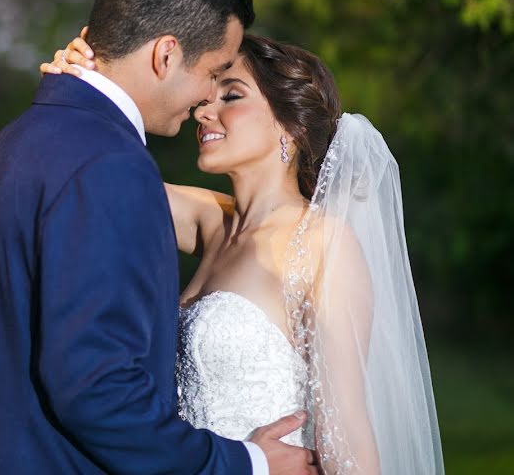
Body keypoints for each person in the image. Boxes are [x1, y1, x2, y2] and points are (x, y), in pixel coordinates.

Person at [0, 0, 317, 474]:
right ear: (165, 55)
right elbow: (98, 390)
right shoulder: (110, 166)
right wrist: (245, 463)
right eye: (214, 72)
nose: (206, 99)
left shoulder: (18, 143)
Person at [42, 31, 445, 474]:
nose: (203, 111)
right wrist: (86, 80)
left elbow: (346, 428)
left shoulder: (321, 243)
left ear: (290, 125)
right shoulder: (211, 222)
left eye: (230, 96)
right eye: (205, 97)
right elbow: (92, 172)